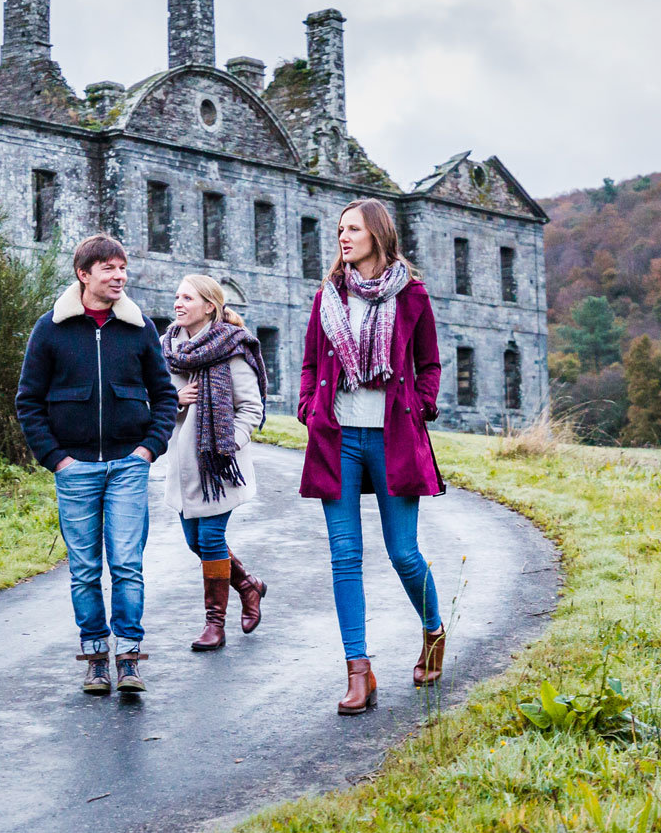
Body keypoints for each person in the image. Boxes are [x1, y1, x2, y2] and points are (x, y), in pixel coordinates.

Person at [297, 198, 448, 715]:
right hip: (337, 438)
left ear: (377, 235)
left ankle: (433, 630)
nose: (342, 237)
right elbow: (311, 360)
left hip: (392, 438)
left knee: (403, 552)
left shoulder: (412, 295)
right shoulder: (328, 297)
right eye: (340, 230)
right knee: (344, 557)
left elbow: (429, 363)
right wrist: (307, 408)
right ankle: (358, 671)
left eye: (352, 229)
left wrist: (420, 406)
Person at [16, 235, 177, 694]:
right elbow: (28, 401)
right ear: (83, 274)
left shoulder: (140, 327)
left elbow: (164, 395)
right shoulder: (50, 329)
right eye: (108, 268)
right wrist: (57, 460)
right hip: (75, 468)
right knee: (85, 569)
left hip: (129, 464)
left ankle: (128, 657)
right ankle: (94, 657)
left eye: (122, 268)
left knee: (127, 564)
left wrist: (149, 449)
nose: (119, 276)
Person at [160, 275, 270, 652]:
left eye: (187, 297)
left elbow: (251, 408)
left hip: (219, 467)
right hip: (183, 466)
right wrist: (177, 398)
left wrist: (229, 445)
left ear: (209, 306)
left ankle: (214, 624)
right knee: (196, 542)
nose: (178, 303)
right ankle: (247, 585)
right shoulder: (167, 348)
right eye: (177, 296)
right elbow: (153, 400)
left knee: (209, 538)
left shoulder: (231, 349)